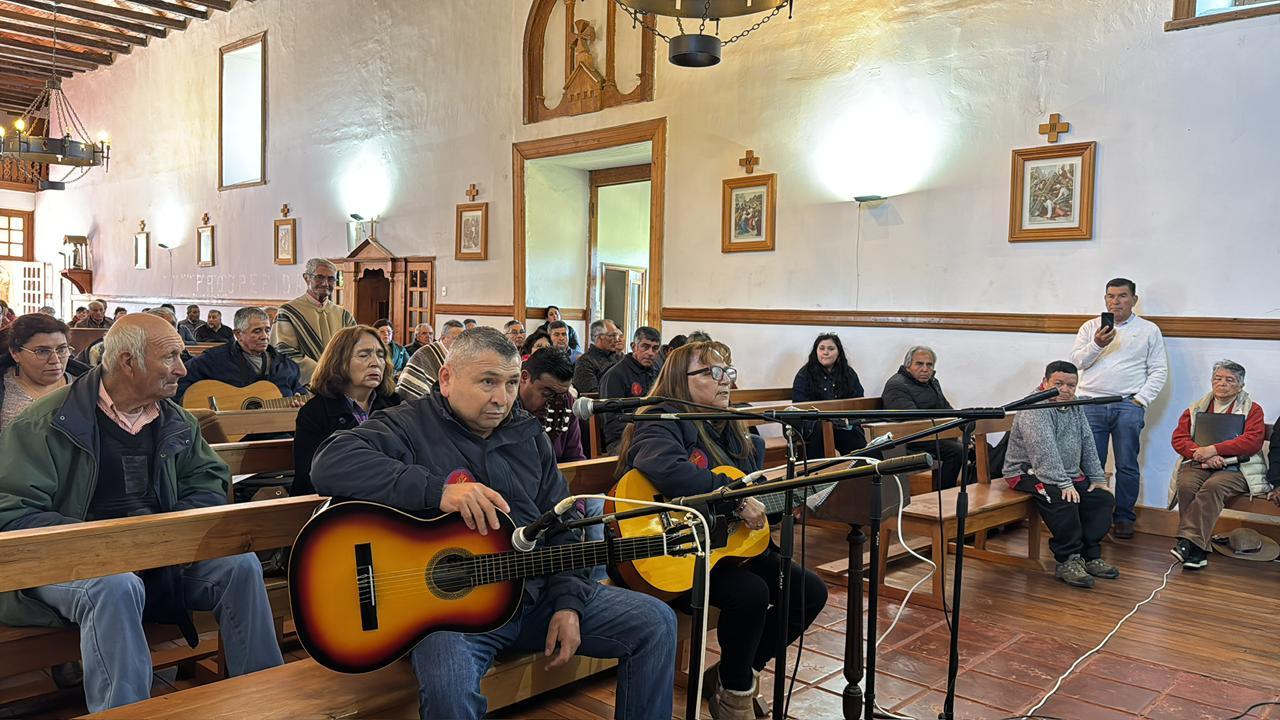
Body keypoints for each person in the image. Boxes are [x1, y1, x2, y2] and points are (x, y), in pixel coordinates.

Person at [311, 327, 676, 720]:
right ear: (447, 378)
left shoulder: (528, 433)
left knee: (656, 622)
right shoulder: (408, 424)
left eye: (511, 383)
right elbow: (330, 462)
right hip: (452, 615)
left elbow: (563, 524)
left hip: (534, 596)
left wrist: (568, 603)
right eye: (487, 382)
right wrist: (438, 491)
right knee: (449, 685)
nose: (502, 398)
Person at [0, 313, 283, 712]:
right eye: (169, 357)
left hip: (160, 554)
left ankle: (264, 702)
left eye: (181, 356)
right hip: (66, 563)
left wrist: (171, 534)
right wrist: (106, 546)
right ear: (128, 362)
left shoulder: (176, 420)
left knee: (240, 565)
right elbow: (13, 510)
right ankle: (125, 712)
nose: (182, 370)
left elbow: (207, 482)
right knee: (114, 586)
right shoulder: (45, 423)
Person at [616, 340, 827, 719]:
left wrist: (773, 508)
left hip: (723, 546)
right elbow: (666, 468)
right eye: (713, 372)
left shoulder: (731, 427)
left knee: (809, 592)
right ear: (680, 379)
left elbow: (751, 491)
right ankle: (735, 695)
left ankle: (738, 671)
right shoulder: (660, 417)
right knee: (751, 593)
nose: (725, 380)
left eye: (727, 371)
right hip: (671, 547)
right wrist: (734, 500)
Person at [1002, 361, 1118, 588]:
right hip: (1027, 472)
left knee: (1101, 498)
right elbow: (1043, 450)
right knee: (1063, 499)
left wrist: (1097, 477)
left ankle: (1089, 555)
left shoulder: (1075, 405)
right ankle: (1068, 560)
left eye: (1071, 385)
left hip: (1064, 473)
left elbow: (1087, 441)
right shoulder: (1034, 408)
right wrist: (1063, 483)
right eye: (1058, 384)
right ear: (1045, 382)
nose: (1065, 390)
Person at [1070, 278, 1168, 540]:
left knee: (1127, 465)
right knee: (1091, 464)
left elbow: (1158, 369)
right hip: (1090, 403)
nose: (1116, 301)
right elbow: (1077, 362)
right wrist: (1097, 344)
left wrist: (1141, 400)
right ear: (1105, 299)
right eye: (1110, 296)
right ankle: (1091, 517)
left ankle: (1124, 517)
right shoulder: (1091, 327)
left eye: (1122, 296)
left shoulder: (1148, 330)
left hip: (1128, 404)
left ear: (1134, 300)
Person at [1168, 360, 1273, 570]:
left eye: (1229, 380)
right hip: (1201, 462)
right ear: (1211, 381)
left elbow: (1252, 442)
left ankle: (1188, 545)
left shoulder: (1253, 409)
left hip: (1238, 467)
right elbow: (1179, 439)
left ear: (1241, 385)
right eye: (1218, 378)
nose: (1222, 383)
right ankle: (1197, 549)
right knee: (1186, 484)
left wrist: (1214, 450)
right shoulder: (1196, 408)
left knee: (1213, 487)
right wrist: (1204, 455)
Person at [292, 325, 401, 496]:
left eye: (380, 355)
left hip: (392, 499)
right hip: (334, 504)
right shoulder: (315, 412)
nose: (375, 362)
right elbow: (310, 476)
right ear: (339, 361)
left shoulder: (396, 405)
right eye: (364, 355)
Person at [177, 307, 305, 405]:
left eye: (267, 330)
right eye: (257, 331)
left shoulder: (286, 366)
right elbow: (180, 379)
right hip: (229, 429)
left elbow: (300, 394)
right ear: (238, 334)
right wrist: (197, 411)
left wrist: (299, 404)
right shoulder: (214, 359)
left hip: (277, 429)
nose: (264, 336)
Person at [882, 346, 964, 489]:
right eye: (919, 364)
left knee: (974, 447)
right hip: (908, 438)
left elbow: (946, 410)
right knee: (957, 451)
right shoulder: (897, 385)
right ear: (908, 366)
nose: (925, 369)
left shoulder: (933, 382)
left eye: (929, 365)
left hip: (931, 434)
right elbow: (913, 420)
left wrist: (962, 428)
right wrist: (949, 432)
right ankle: (944, 495)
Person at [271, 258, 356, 384]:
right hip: (304, 386)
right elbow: (284, 351)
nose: (325, 283)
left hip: (340, 383)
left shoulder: (344, 316)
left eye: (331, 279)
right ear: (306, 278)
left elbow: (355, 349)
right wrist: (322, 374)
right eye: (319, 277)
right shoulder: (289, 312)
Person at [791, 333, 867, 456]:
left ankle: (863, 466)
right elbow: (799, 405)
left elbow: (858, 400)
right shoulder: (805, 374)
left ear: (838, 352)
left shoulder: (848, 373)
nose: (825, 352)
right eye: (821, 348)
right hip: (813, 424)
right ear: (816, 352)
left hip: (842, 421)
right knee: (822, 428)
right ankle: (820, 467)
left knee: (853, 434)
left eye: (831, 349)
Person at [0, 314, 74, 432]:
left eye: (61, 349)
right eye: (42, 351)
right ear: (15, 353)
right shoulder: (6, 389)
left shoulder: (85, 385)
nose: (55, 360)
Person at [598, 326, 662, 455]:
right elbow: (612, 422)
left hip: (653, 435)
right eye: (645, 347)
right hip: (622, 440)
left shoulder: (658, 373)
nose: (650, 353)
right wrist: (645, 433)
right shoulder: (615, 375)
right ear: (634, 347)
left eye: (655, 348)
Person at [519, 348, 584, 464]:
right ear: (524, 378)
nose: (555, 403)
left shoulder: (567, 401)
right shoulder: (503, 406)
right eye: (546, 394)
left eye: (562, 395)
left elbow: (575, 459)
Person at [398, 319, 464, 400]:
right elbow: (412, 385)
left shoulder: (459, 353)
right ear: (443, 338)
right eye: (456, 338)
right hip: (422, 400)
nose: (461, 342)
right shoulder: (425, 353)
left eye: (463, 338)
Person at [572, 319, 621, 395]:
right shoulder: (585, 362)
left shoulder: (619, 357)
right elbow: (591, 394)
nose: (617, 340)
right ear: (599, 337)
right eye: (612, 336)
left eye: (617, 335)